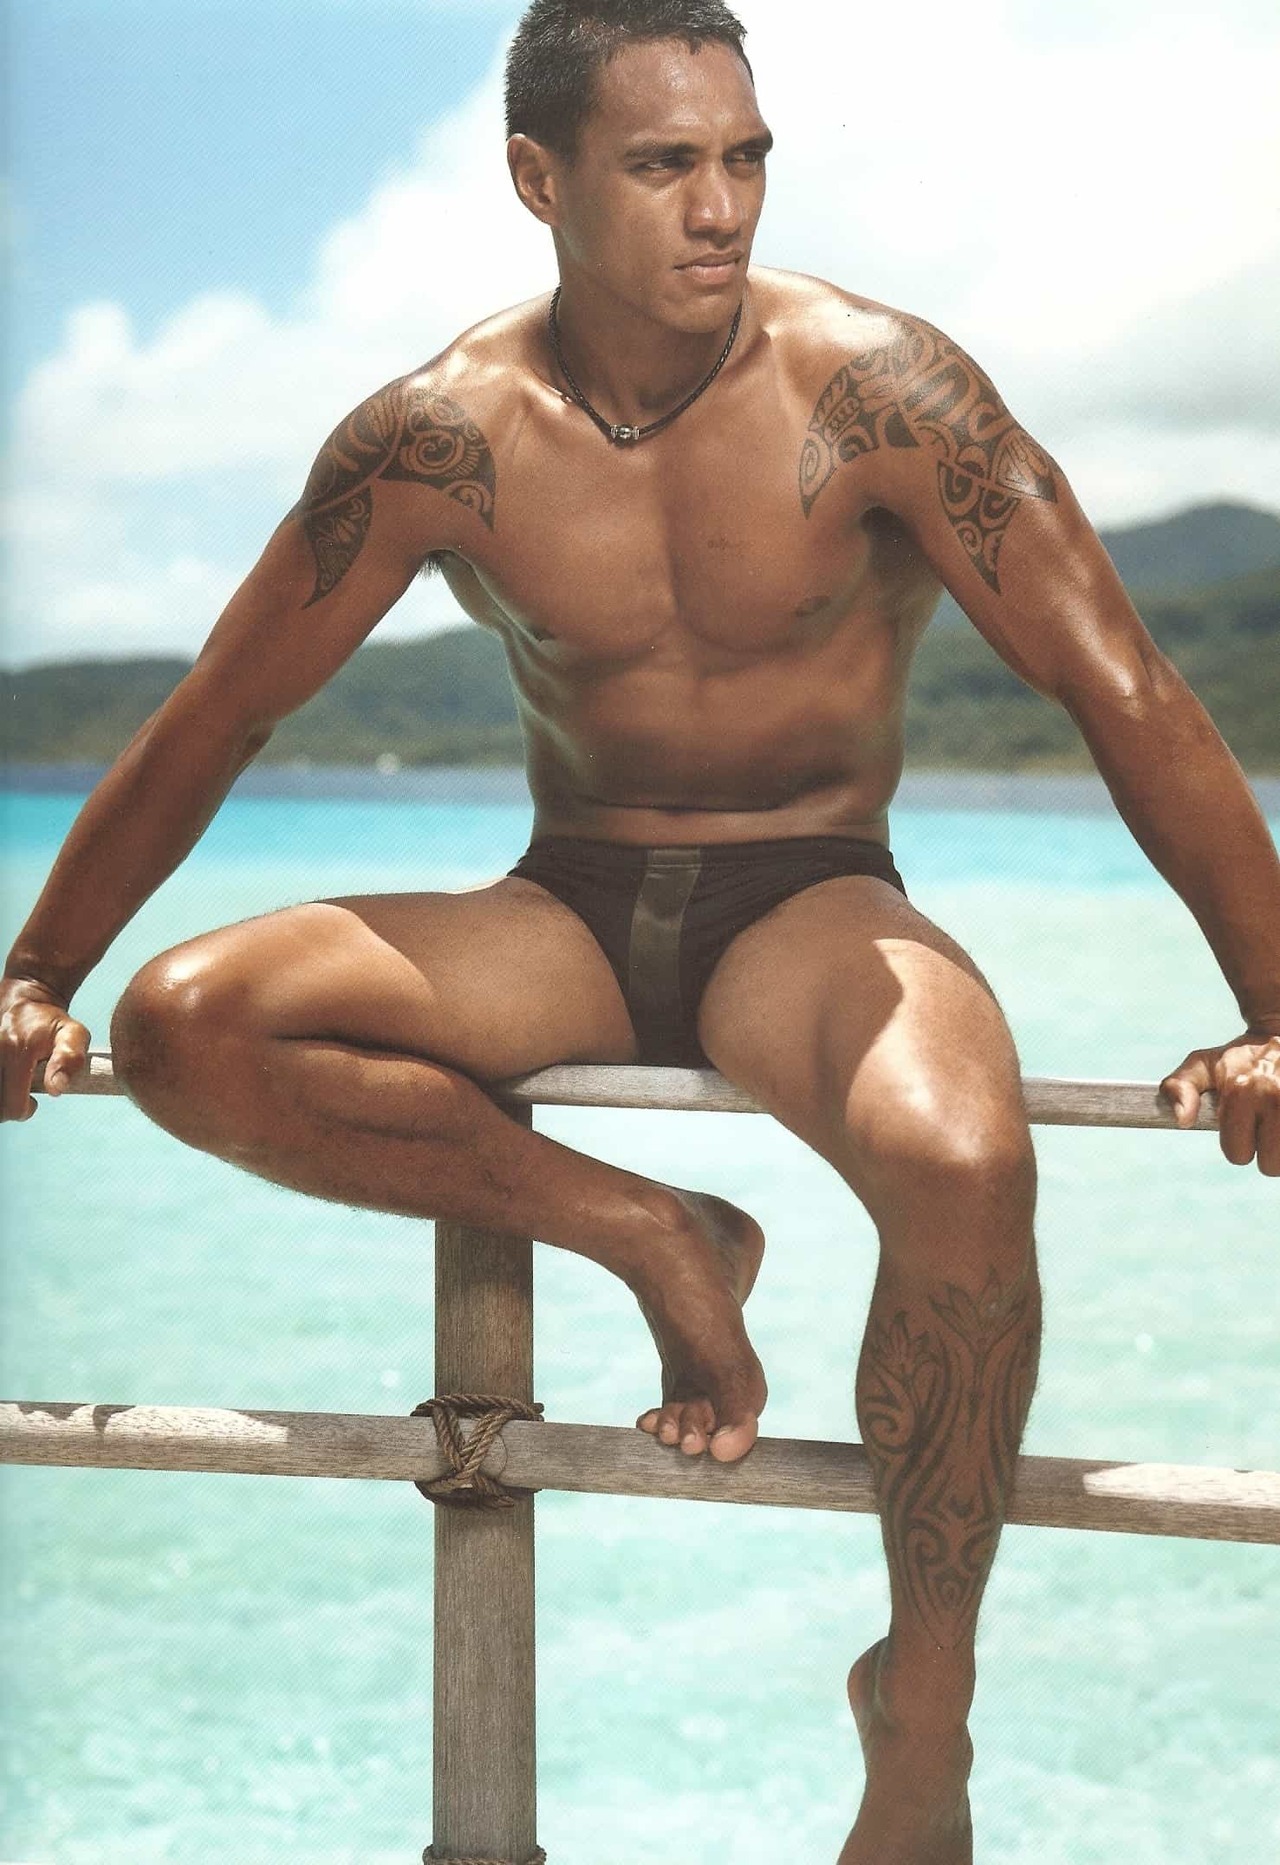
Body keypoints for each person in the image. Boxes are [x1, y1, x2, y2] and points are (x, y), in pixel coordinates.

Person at [3, 1, 1277, 1858]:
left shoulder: (884, 392)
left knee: (963, 1156)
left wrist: (1273, 1003)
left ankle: (924, 1700)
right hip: (573, 903)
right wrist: (37, 971)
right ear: (540, 178)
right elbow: (220, 714)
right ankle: (658, 1232)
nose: (722, 206)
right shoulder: (439, 436)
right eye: (666, 163)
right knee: (190, 1021)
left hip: (808, 896)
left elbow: (1125, 687)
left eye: (746, 157)